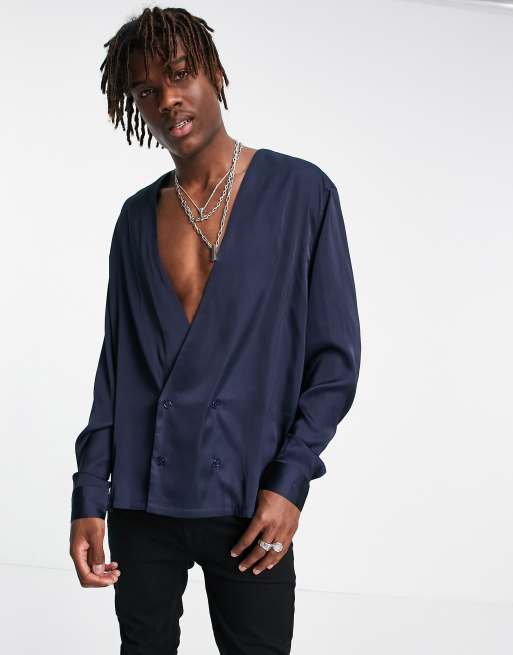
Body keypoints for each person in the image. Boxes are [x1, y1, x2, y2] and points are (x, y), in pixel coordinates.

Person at [68, 6, 361, 654]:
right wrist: (89, 492)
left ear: (214, 73)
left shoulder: (302, 195)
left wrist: (289, 482)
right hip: (141, 500)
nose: (167, 99)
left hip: (250, 501)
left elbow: (335, 364)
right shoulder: (135, 219)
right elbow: (115, 370)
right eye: (146, 90)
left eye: (180, 74)